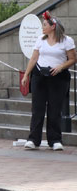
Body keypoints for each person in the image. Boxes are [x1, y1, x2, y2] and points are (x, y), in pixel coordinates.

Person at [21, 11, 75, 151]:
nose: (42, 27)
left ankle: (55, 139)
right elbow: (34, 58)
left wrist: (61, 67)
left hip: (58, 77)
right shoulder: (40, 39)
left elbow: (73, 59)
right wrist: (26, 74)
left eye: (44, 24)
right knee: (37, 109)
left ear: (53, 26)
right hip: (40, 75)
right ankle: (33, 139)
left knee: (55, 109)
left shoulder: (66, 41)